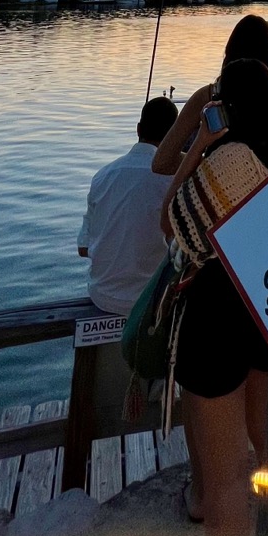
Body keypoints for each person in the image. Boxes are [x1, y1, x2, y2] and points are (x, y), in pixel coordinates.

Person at [162, 56, 268, 536]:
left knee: (225, 478)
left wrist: (200, 144)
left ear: (228, 107)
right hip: (267, 308)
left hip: (217, 315)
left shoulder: (230, 160)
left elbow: (172, 223)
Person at [77, 96, 179, 432]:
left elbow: (83, 248)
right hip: (148, 306)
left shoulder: (102, 176)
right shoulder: (174, 181)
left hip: (102, 296)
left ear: (138, 129)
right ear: (177, 137)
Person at [152, 14, 268, 178]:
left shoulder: (208, 96)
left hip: (216, 189)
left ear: (230, 49)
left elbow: (162, 162)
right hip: (266, 191)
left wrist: (210, 164)